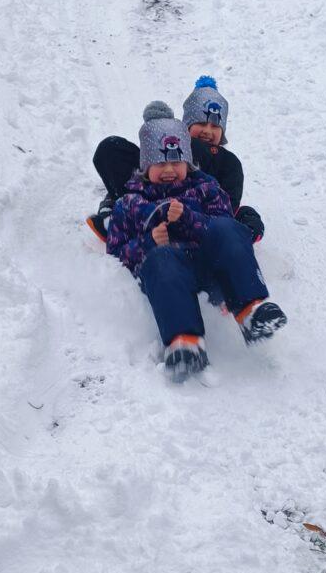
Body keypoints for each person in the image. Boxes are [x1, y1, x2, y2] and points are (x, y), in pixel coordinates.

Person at [105, 109, 287, 379]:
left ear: (188, 162)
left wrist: (188, 219)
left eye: (177, 162)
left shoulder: (206, 188)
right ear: (145, 166)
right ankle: (185, 341)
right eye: (160, 163)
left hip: (211, 267)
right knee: (162, 259)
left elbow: (224, 226)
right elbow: (117, 251)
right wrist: (149, 242)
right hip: (170, 276)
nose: (169, 170)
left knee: (229, 229)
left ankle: (251, 310)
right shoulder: (130, 203)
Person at [88, 77, 264, 242]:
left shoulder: (226, 162)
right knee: (110, 148)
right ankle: (121, 212)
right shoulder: (169, 145)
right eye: (201, 124)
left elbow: (229, 199)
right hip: (150, 202)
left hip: (199, 215)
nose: (207, 131)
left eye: (215, 126)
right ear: (185, 126)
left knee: (246, 214)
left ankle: (234, 230)